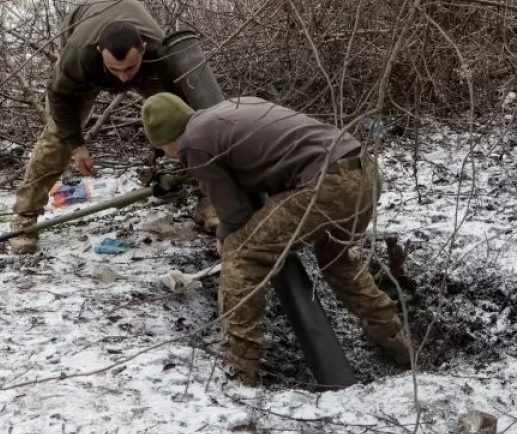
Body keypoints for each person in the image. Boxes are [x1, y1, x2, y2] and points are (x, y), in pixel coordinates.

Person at [139, 93, 411, 382]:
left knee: (241, 254)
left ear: (165, 139)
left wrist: (224, 237)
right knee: (337, 261)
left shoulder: (194, 144)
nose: (169, 155)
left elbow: (234, 214)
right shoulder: (232, 108)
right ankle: (396, 341)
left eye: (164, 149)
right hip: (363, 174)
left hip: (325, 185)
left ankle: (243, 366)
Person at [10, 0, 187, 253]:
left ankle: (200, 190)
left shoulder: (160, 54)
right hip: (83, 23)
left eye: (129, 69)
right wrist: (76, 145)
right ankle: (24, 218)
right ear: (99, 53)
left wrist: (168, 146)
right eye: (115, 70)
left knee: (178, 120)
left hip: (145, 58)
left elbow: (187, 114)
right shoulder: (80, 55)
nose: (124, 79)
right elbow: (59, 96)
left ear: (143, 51)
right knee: (57, 138)